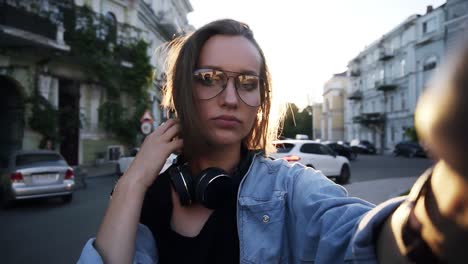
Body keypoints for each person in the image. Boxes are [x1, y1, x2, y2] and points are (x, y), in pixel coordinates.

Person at [78, 19, 468, 263]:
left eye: (248, 83)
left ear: (260, 101)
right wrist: (133, 182)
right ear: (182, 88)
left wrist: (447, 202)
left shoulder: (289, 186)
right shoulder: (151, 198)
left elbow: (357, 236)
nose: (231, 98)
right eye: (210, 78)